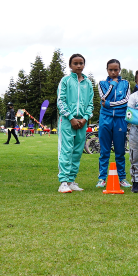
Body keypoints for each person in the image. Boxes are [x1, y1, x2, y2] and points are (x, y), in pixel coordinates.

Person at [56, 53, 93, 193]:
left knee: (77, 152)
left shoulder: (88, 83)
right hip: (67, 121)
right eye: (75, 63)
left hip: (82, 122)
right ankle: (63, 182)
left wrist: (85, 118)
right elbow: (61, 101)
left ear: (84, 65)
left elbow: (90, 104)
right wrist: (71, 118)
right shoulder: (65, 81)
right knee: (66, 150)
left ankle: (71, 181)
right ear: (70, 65)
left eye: (81, 63)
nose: (78, 66)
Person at [96, 59, 129, 187]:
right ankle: (102, 178)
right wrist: (113, 84)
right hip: (105, 118)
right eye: (111, 70)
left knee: (120, 151)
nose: (113, 72)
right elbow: (103, 97)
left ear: (119, 70)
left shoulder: (125, 83)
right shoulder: (101, 83)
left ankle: (122, 178)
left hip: (120, 119)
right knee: (104, 151)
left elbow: (126, 101)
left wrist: (109, 104)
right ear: (107, 70)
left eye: (116, 70)